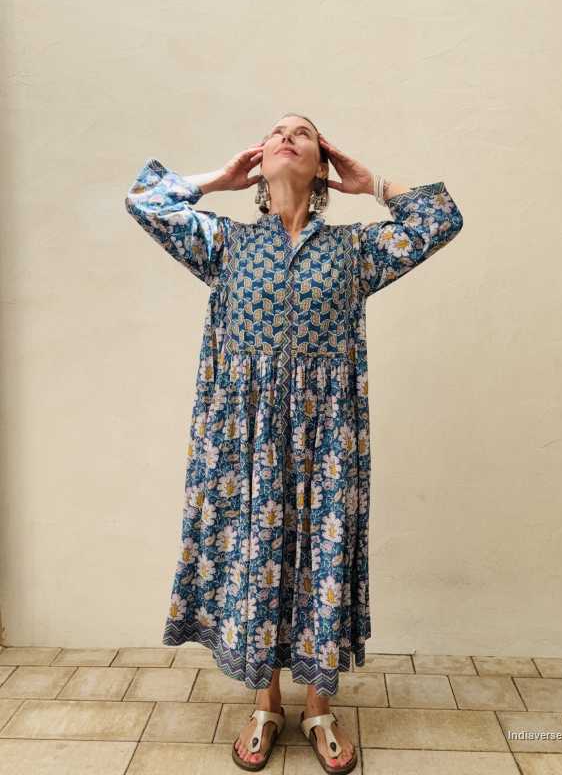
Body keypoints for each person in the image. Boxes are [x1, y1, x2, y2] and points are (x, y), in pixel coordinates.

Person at [124, 114, 464, 773]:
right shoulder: (221, 242)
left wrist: (372, 183)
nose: (286, 135)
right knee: (256, 559)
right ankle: (265, 704)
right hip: (242, 439)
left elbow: (438, 221)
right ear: (258, 160)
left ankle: (318, 708)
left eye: (302, 132)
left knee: (322, 562)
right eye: (275, 130)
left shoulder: (355, 249)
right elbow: (146, 201)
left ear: (322, 162)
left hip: (328, 439)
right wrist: (217, 180)